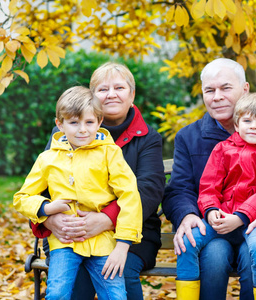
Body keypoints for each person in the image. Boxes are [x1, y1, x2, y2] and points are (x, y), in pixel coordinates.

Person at [162, 58, 256, 300]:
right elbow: (179, 189)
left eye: (225, 88)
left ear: (245, 89)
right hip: (213, 230)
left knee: (254, 253)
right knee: (215, 256)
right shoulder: (189, 137)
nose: (216, 96)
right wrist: (188, 215)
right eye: (209, 90)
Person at [30, 63, 166, 300]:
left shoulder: (147, 136)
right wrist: (50, 220)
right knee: (70, 286)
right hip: (70, 230)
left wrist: (106, 218)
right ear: (92, 97)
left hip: (131, 231)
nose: (111, 94)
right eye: (103, 89)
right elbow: (42, 186)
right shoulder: (63, 134)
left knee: (120, 273)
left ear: (131, 95)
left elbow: (148, 190)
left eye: (119, 87)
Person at [14, 86, 143, 300]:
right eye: (74, 122)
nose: (82, 129)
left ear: (99, 122)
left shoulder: (110, 153)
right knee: (57, 294)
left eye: (89, 122)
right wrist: (46, 208)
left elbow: (130, 196)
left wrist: (123, 245)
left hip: (103, 242)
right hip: (64, 243)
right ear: (60, 125)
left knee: (116, 295)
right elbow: (22, 198)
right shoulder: (48, 159)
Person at [176, 92, 256, 299]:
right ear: (237, 125)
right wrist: (210, 211)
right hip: (222, 219)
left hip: (255, 222)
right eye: (247, 120)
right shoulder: (222, 149)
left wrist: (241, 217)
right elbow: (209, 184)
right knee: (187, 240)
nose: (253, 126)